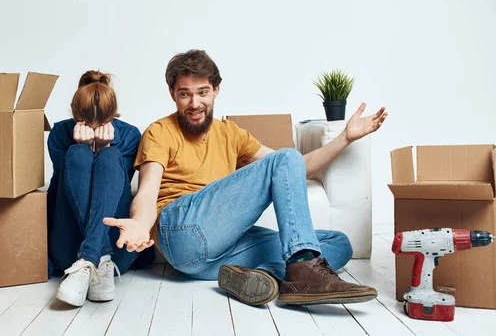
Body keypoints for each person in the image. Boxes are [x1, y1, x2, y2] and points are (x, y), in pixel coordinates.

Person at [104, 50, 388, 306]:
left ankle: (257, 276)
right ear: (172, 94)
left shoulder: (230, 133)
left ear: (216, 90)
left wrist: (345, 138)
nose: (194, 103)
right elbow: (147, 192)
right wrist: (141, 225)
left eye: (202, 92)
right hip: (179, 231)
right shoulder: (159, 132)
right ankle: (301, 271)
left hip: (208, 259)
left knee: (338, 242)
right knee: (285, 159)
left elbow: (295, 170)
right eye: (184, 93)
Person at [47, 70, 144, 307]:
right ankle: (94, 257)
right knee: (78, 154)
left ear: (113, 115)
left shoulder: (130, 135)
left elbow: (113, 192)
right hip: (69, 246)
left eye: (100, 123)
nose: (91, 128)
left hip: (117, 246)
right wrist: (82, 147)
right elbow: (63, 188)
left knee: (111, 157)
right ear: (75, 115)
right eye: (84, 122)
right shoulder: (60, 133)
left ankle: (94, 258)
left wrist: (103, 148)